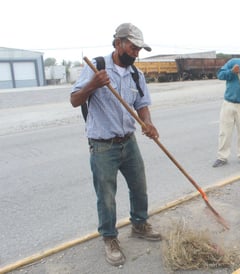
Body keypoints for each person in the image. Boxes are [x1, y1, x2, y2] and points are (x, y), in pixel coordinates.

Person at [70, 23, 161, 267]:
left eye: (139, 50)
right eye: (133, 48)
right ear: (118, 43)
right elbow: (74, 100)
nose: (136, 54)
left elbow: (142, 103)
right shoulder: (96, 67)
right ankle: (110, 239)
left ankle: (140, 224)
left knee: (139, 187)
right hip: (102, 145)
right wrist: (93, 85)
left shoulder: (135, 74)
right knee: (107, 196)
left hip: (128, 142)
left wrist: (148, 123)